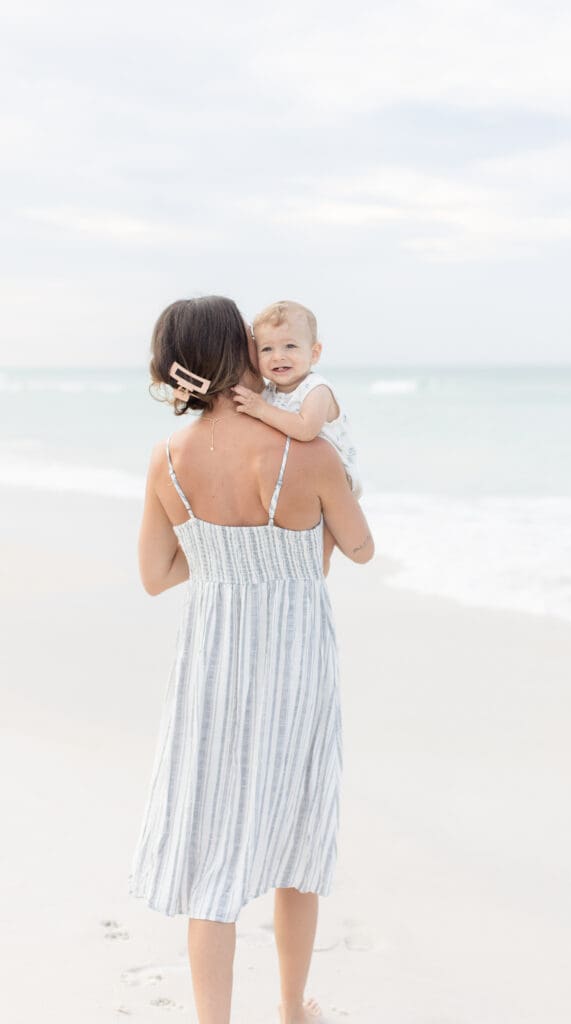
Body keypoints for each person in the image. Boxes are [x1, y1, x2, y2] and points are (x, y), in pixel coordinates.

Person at [127, 295, 374, 1024]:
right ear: (238, 352)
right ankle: (293, 1007)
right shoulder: (308, 451)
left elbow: (155, 575)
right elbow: (360, 548)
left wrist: (219, 557)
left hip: (211, 665)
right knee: (298, 836)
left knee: (213, 850)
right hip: (294, 662)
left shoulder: (168, 459)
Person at [231, 299, 359, 570]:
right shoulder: (269, 393)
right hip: (299, 476)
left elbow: (305, 428)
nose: (278, 356)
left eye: (290, 346)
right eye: (267, 349)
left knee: (323, 541)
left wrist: (261, 409)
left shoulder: (316, 389)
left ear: (314, 353)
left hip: (336, 479)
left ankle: (320, 566)